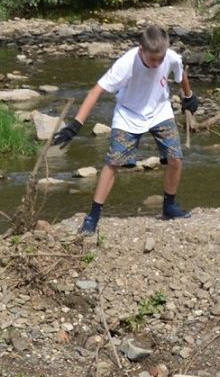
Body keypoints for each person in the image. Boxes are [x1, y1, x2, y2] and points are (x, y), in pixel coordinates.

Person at [51, 25, 197, 235]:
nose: (157, 64)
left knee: (175, 158)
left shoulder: (170, 56)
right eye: (152, 60)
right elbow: (96, 91)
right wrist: (76, 125)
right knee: (113, 163)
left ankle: (169, 206)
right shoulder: (127, 64)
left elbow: (181, 72)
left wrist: (189, 95)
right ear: (141, 50)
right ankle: (93, 215)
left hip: (159, 110)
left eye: (160, 59)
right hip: (128, 114)